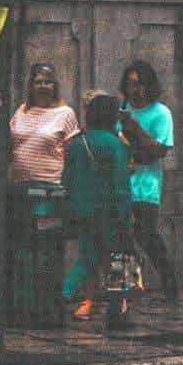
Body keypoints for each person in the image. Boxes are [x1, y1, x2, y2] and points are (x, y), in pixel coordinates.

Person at [8, 62, 80, 321]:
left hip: (50, 192)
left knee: (47, 250)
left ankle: (48, 309)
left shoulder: (65, 114)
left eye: (47, 81)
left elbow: (72, 154)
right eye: (38, 81)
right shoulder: (22, 111)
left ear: (55, 85)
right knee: (24, 250)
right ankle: (25, 308)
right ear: (31, 85)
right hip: (21, 191)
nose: (42, 86)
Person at [60, 92, 134, 326]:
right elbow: (121, 182)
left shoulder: (77, 143)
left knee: (87, 260)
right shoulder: (114, 144)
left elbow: (66, 180)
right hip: (110, 213)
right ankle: (117, 312)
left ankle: (61, 294)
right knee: (120, 261)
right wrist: (125, 214)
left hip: (83, 213)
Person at [118, 60, 179, 303]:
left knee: (147, 236)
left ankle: (169, 281)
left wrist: (135, 129)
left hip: (146, 186)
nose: (135, 90)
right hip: (121, 184)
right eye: (131, 84)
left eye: (140, 84)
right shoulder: (122, 111)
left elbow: (160, 150)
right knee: (121, 236)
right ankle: (125, 289)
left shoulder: (161, 113)